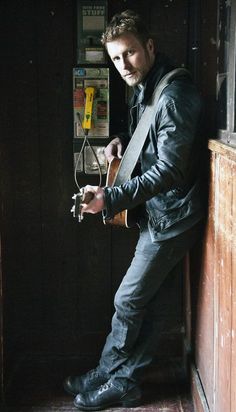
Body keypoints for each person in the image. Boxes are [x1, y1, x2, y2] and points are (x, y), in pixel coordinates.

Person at [64, 9, 205, 410]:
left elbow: (170, 170)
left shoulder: (175, 94)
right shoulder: (149, 85)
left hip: (173, 215)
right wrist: (122, 140)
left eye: (130, 54)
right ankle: (114, 374)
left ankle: (118, 377)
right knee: (154, 300)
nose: (123, 65)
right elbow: (151, 133)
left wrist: (111, 196)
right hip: (161, 212)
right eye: (115, 58)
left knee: (128, 300)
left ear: (150, 47)